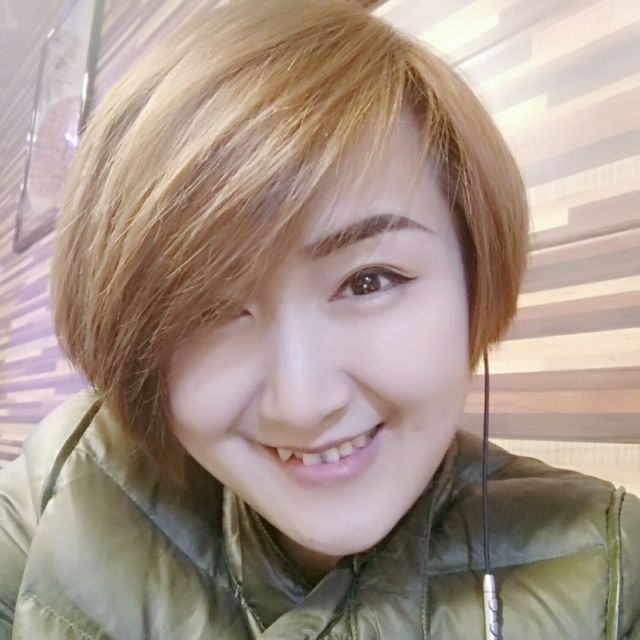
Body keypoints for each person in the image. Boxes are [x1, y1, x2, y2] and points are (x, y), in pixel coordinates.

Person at [1, 1, 638, 638]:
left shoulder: (613, 575)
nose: (302, 405)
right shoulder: (66, 479)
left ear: (474, 273)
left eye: (369, 281)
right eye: (208, 308)